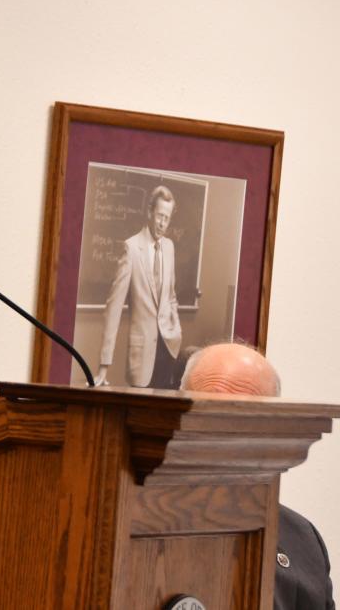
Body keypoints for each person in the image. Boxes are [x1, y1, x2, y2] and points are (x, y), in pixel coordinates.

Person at [182, 343, 336, 609]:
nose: (226, 433)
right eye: (212, 410)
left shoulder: (302, 538)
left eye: (244, 415)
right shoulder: (143, 527)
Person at [99, 185, 182, 388]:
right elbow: (113, 308)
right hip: (142, 357)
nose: (163, 224)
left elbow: (171, 296)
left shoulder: (170, 247)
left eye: (167, 218)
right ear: (149, 212)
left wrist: (176, 327)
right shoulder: (131, 248)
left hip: (169, 349)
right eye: (160, 216)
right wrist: (103, 364)